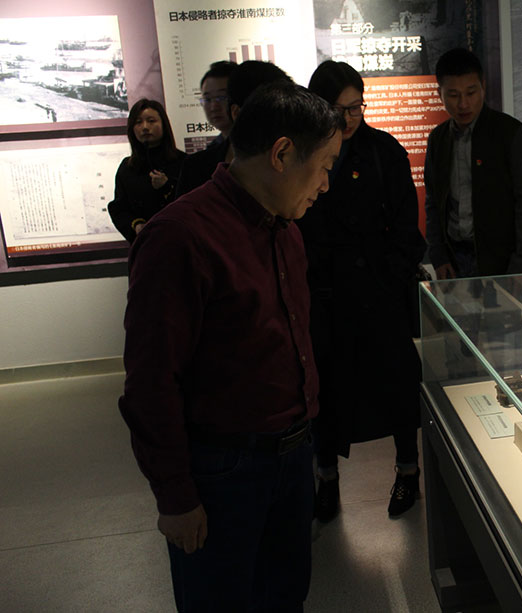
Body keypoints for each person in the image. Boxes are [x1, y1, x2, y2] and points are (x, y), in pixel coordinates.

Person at [119, 81, 344, 612]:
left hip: (293, 455)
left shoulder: (284, 227)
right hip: (223, 470)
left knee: (284, 598)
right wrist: (175, 496)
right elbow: (152, 381)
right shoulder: (180, 236)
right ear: (282, 154)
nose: (325, 184)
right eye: (324, 166)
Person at [296, 60, 427, 520]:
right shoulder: (305, 154)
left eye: (357, 107)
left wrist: (389, 278)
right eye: (339, 109)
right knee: (325, 392)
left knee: (397, 386)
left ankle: (408, 471)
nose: (350, 118)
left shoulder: (383, 151)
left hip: (378, 292)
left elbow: (407, 226)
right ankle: (326, 479)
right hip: (325, 295)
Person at [424, 48, 522, 279]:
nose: (463, 104)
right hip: (454, 259)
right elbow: (433, 202)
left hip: (501, 261)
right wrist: (438, 255)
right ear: (440, 94)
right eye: (454, 95)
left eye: (471, 92)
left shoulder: (510, 133)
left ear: (483, 87)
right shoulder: (438, 138)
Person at [107, 99, 185, 242]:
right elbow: (119, 208)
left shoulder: (184, 162)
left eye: (151, 121)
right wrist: (136, 225)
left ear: (163, 124)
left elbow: (194, 204)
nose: (145, 127)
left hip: (181, 241)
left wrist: (167, 187)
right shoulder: (127, 167)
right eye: (138, 122)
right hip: (145, 244)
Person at [174, 61, 237, 196]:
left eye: (222, 97)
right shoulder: (199, 162)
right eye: (207, 99)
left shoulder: (262, 154)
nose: (214, 107)